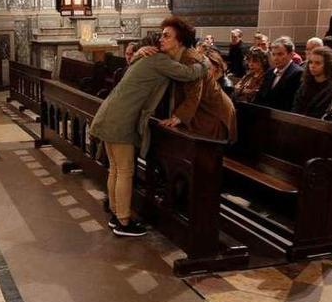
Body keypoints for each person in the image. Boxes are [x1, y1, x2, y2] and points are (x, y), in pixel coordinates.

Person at [89, 26, 208, 237]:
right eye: (160, 37)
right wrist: (205, 63)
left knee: (115, 169)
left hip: (109, 114)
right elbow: (188, 73)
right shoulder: (159, 60)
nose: (162, 40)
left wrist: (138, 52)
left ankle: (117, 216)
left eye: (166, 36)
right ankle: (124, 223)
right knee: (124, 170)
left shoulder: (144, 57)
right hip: (121, 121)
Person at [162, 41, 238, 142]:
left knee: (208, 146)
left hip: (216, 111)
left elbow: (195, 93)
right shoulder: (189, 58)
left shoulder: (193, 61)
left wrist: (179, 117)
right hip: (205, 107)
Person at [255, 36, 303, 111]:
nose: (275, 58)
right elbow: (261, 96)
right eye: (273, 54)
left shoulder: (297, 73)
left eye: (280, 54)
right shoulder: (270, 72)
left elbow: (292, 103)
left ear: (291, 55)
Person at [293, 46, 332, 118]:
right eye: (311, 62)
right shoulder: (305, 84)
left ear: (327, 65)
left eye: (317, 63)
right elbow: (296, 107)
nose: (312, 66)